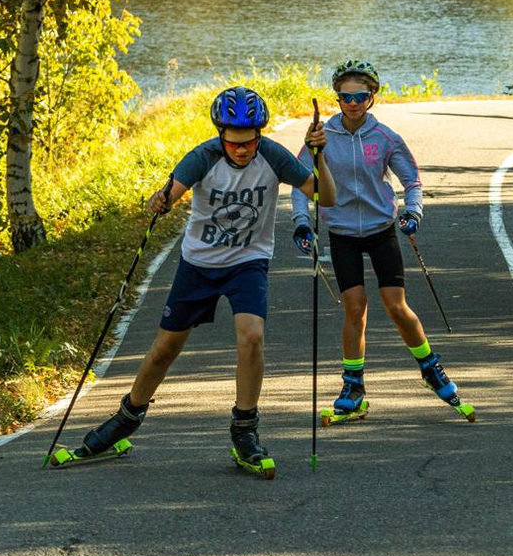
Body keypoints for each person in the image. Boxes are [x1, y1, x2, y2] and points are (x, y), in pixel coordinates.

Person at [68, 86, 336, 474]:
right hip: (199, 264)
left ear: (259, 135)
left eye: (249, 142)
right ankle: (125, 419)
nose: (242, 150)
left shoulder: (273, 156)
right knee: (165, 349)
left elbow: (324, 198)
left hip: (248, 261)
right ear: (220, 135)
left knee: (252, 335)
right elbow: (168, 193)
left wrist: (319, 157)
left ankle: (245, 430)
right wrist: (159, 201)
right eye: (234, 143)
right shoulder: (203, 157)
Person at [290, 59, 475, 424]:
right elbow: (301, 184)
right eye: (345, 97)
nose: (352, 103)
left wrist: (414, 211)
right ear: (338, 99)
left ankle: (430, 369)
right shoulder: (320, 138)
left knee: (395, 306)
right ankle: (353, 387)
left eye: (360, 96)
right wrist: (301, 223)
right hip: (341, 233)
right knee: (354, 308)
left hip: (380, 231)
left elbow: (412, 182)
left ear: (372, 97)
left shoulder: (386, 138)